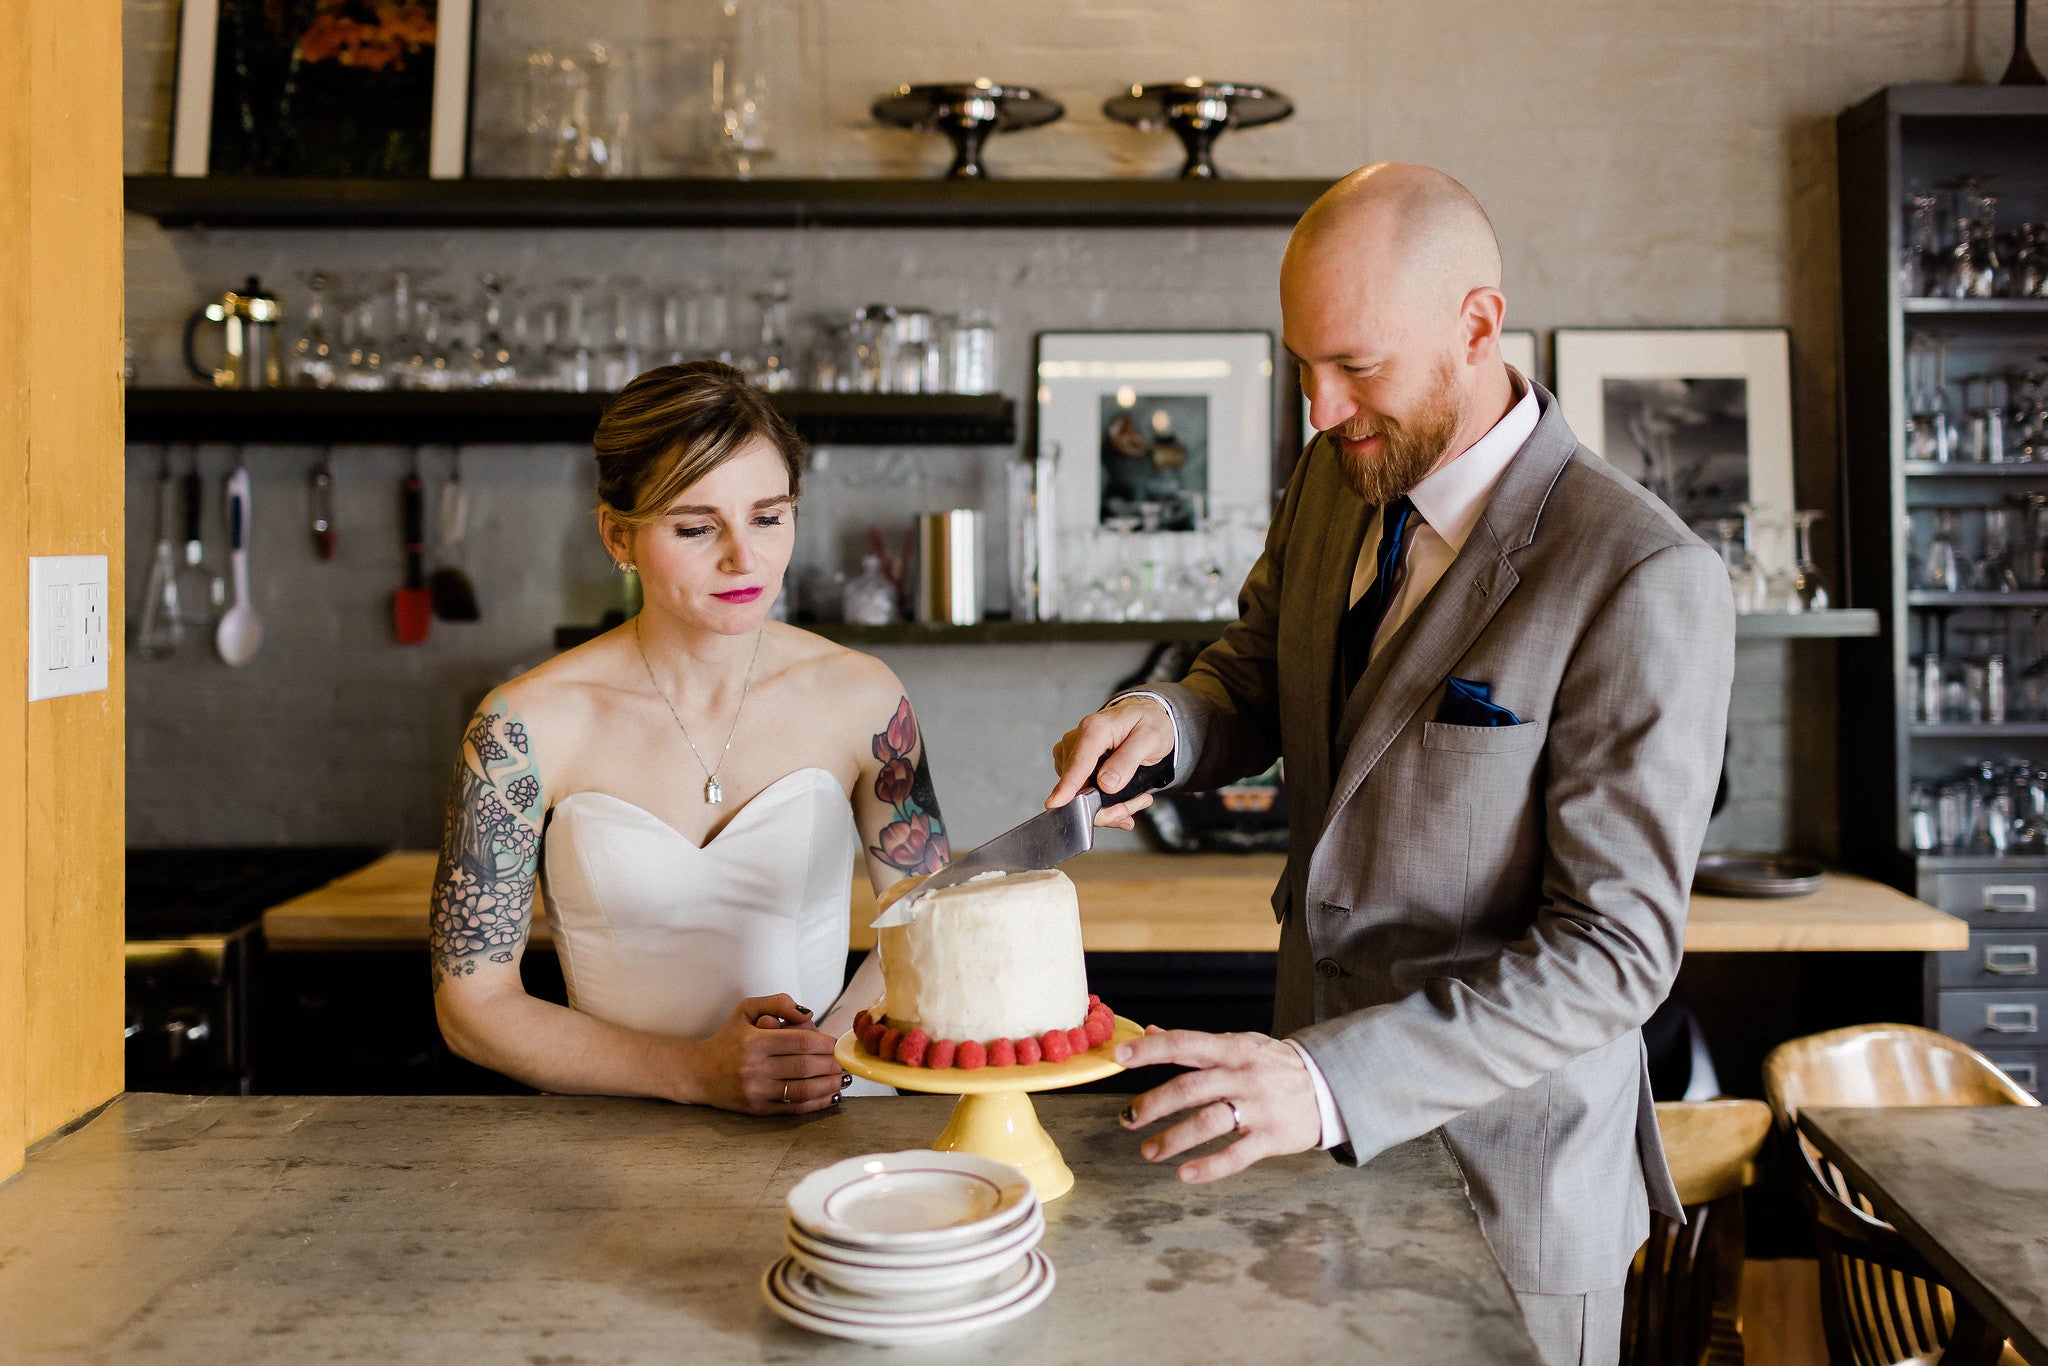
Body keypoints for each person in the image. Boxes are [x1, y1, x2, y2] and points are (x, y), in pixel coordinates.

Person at [1048, 163, 1735, 1366]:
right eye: (1300, 364)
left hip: (1506, 1202)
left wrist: (1319, 1083)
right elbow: (1260, 665)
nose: (1317, 408)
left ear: (1477, 324)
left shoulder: (1637, 572)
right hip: (1305, 1173)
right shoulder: (1337, 474)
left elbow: (1614, 955)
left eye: (1354, 366)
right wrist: (1168, 720)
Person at [430, 361, 949, 1115]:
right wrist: (693, 1072)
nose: (744, 558)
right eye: (696, 527)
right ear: (618, 535)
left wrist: (825, 1057)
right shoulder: (522, 726)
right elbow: (471, 1009)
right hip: (609, 1149)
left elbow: (924, 923)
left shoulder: (864, 697)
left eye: (768, 518)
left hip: (835, 1118)